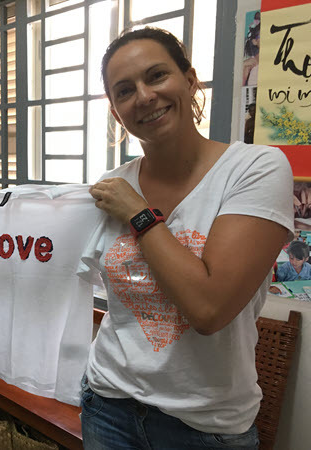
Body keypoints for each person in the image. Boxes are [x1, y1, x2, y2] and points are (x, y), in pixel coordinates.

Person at [82, 27, 293, 449]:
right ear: (115, 109)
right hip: (107, 406)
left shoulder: (256, 169)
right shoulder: (112, 184)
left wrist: (139, 214)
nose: (143, 96)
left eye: (156, 76)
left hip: (205, 426)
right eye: (124, 91)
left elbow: (209, 309)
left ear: (190, 79)